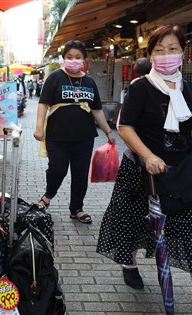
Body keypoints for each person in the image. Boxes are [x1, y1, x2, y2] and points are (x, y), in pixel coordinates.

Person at [97, 24, 192, 290]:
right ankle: (129, 263)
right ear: (150, 55)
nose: (166, 55)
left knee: (185, 223)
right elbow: (125, 126)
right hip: (141, 169)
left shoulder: (189, 90)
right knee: (132, 220)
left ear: (183, 53)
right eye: (159, 50)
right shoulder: (141, 87)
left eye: (173, 49)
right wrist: (148, 156)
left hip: (179, 170)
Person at [33, 40, 115, 224]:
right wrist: (39, 128)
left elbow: (97, 109)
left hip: (84, 138)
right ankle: (47, 197)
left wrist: (109, 132)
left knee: (80, 173)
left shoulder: (89, 81)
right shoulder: (55, 77)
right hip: (57, 136)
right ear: (64, 58)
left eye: (77, 57)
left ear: (84, 59)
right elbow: (43, 103)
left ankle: (76, 208)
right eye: (69, 57)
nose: (73, 60)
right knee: (57, 170)